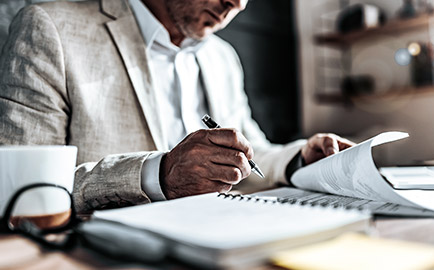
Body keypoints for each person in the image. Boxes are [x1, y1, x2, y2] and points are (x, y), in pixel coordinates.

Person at [0, 0, 354, 213]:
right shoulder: (51, 29)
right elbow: (21, 187)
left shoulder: (222, 57)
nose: (238, 3)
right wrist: (160, 174)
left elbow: (253, 153)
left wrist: (301, 159)